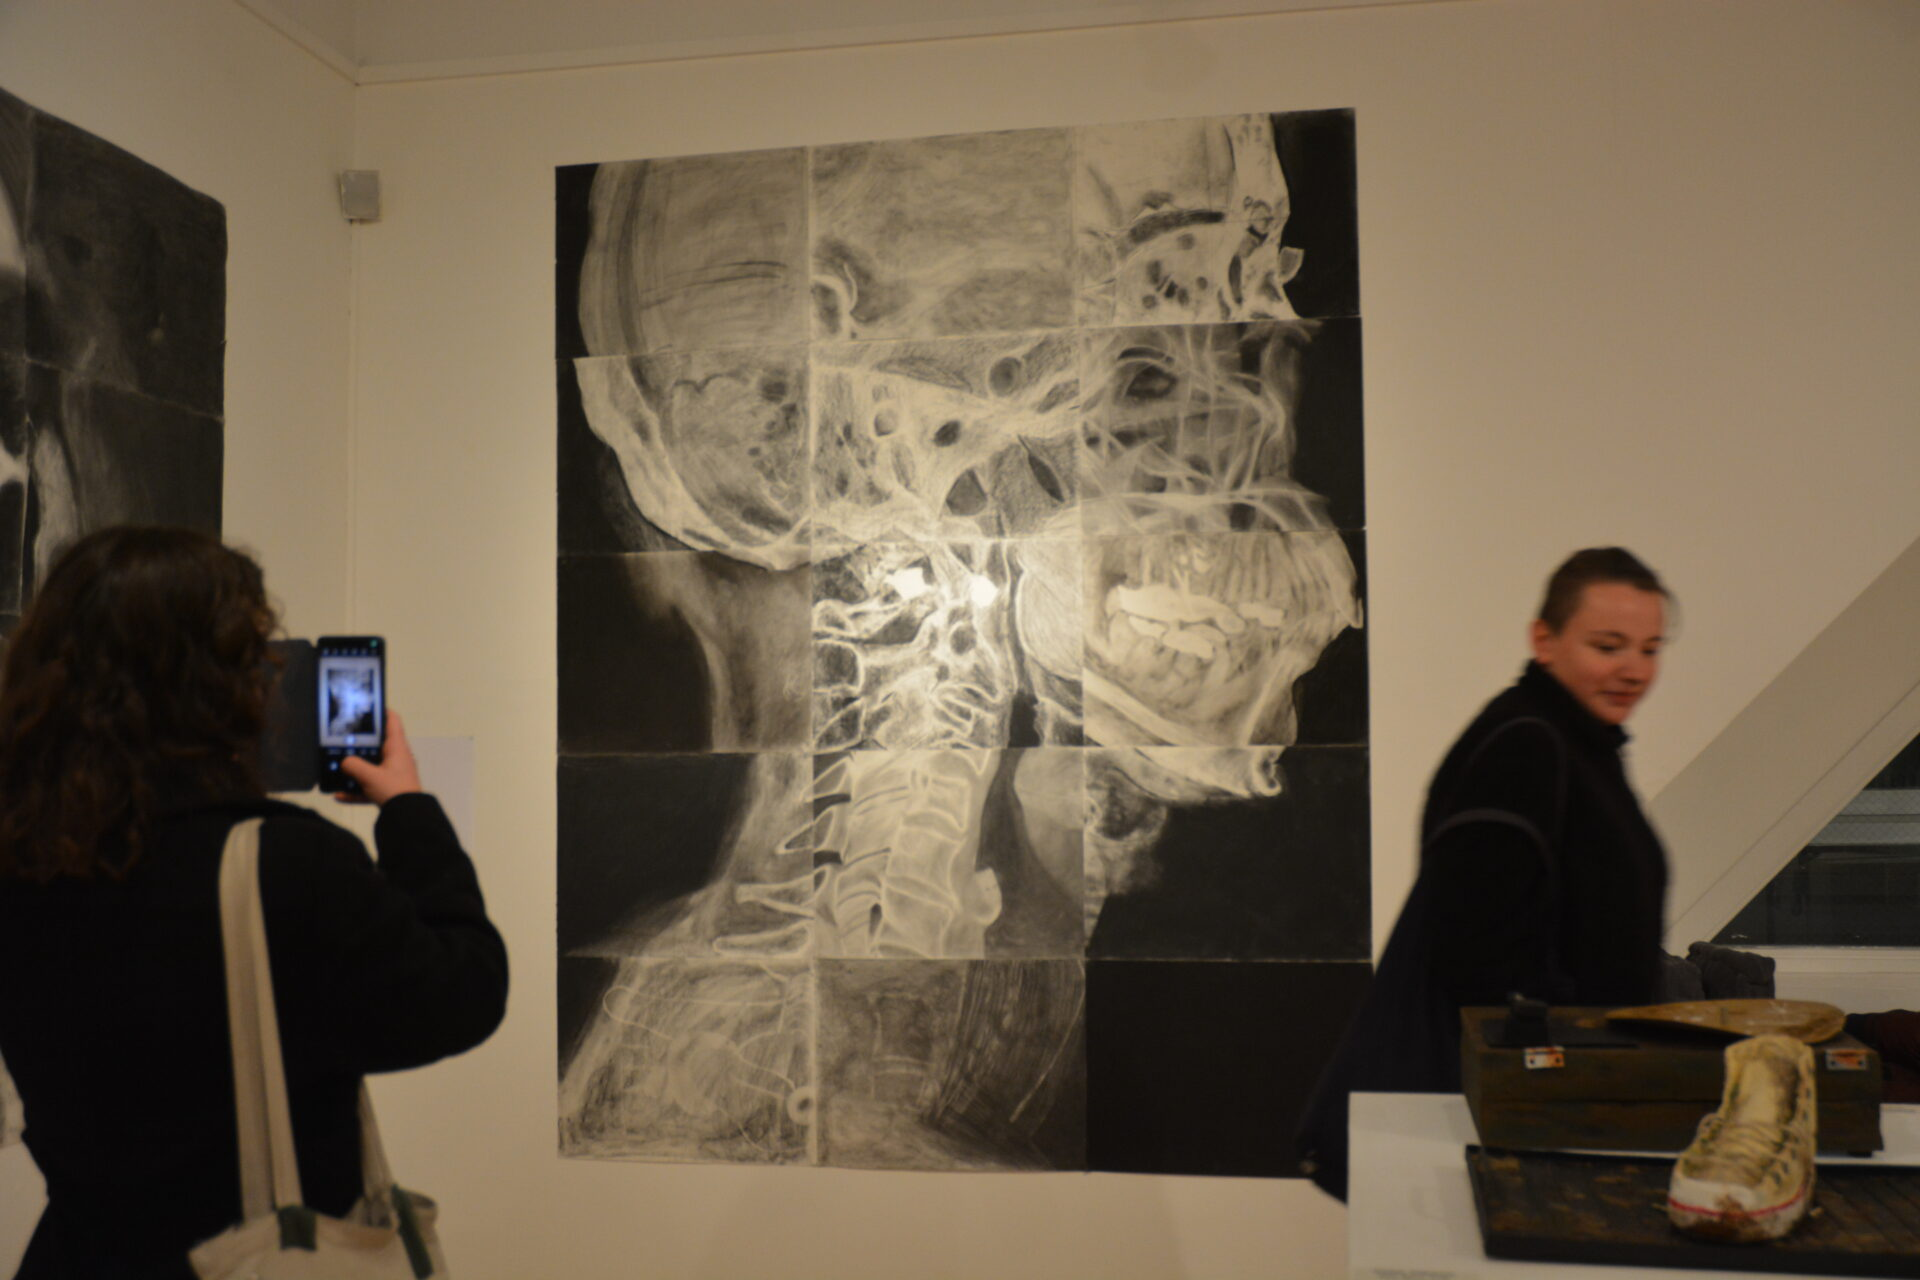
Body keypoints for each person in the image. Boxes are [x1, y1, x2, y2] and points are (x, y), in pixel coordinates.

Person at [0, 526, 508, 1278]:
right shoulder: (285, 866)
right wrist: (408, 808)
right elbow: (461, 992)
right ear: (219, 686)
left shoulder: (21, 867)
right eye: (255, 653)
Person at [1296, 546, 1672, 1200]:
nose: (1633, 670)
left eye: (1649, 648)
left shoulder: (1578, 745)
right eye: (1609, 645)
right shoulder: (1527, 748)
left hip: (1543, 1108)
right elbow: (1478, 952)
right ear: (1544, 640)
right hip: (1513, 1118)